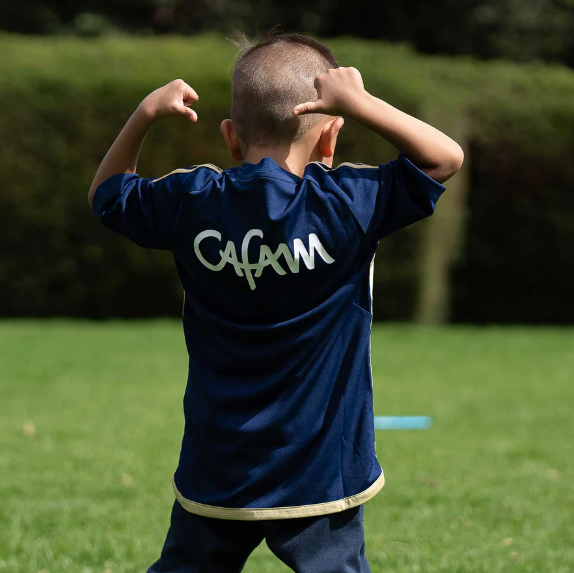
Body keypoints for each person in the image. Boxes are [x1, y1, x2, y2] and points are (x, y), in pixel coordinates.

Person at [88, 30, 463, 573]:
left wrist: (144, 114)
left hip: (217, 464)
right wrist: (362, 103)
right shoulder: (349, 203)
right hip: (321, 467)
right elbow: (444, 158)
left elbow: (107, 197)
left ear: (229, 137)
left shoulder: (191, 201)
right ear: (332, 135)